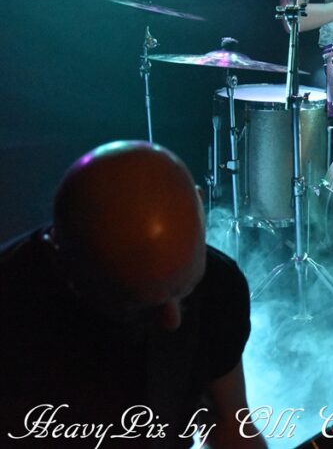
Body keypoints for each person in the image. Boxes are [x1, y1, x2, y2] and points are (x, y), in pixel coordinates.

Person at [0, 141, 267, 448]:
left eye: (185, 291)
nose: (172, 320)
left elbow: (230, 423)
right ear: (68, 260)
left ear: (199, 204)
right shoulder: (12, 308)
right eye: (138, 306)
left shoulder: (220, 283)